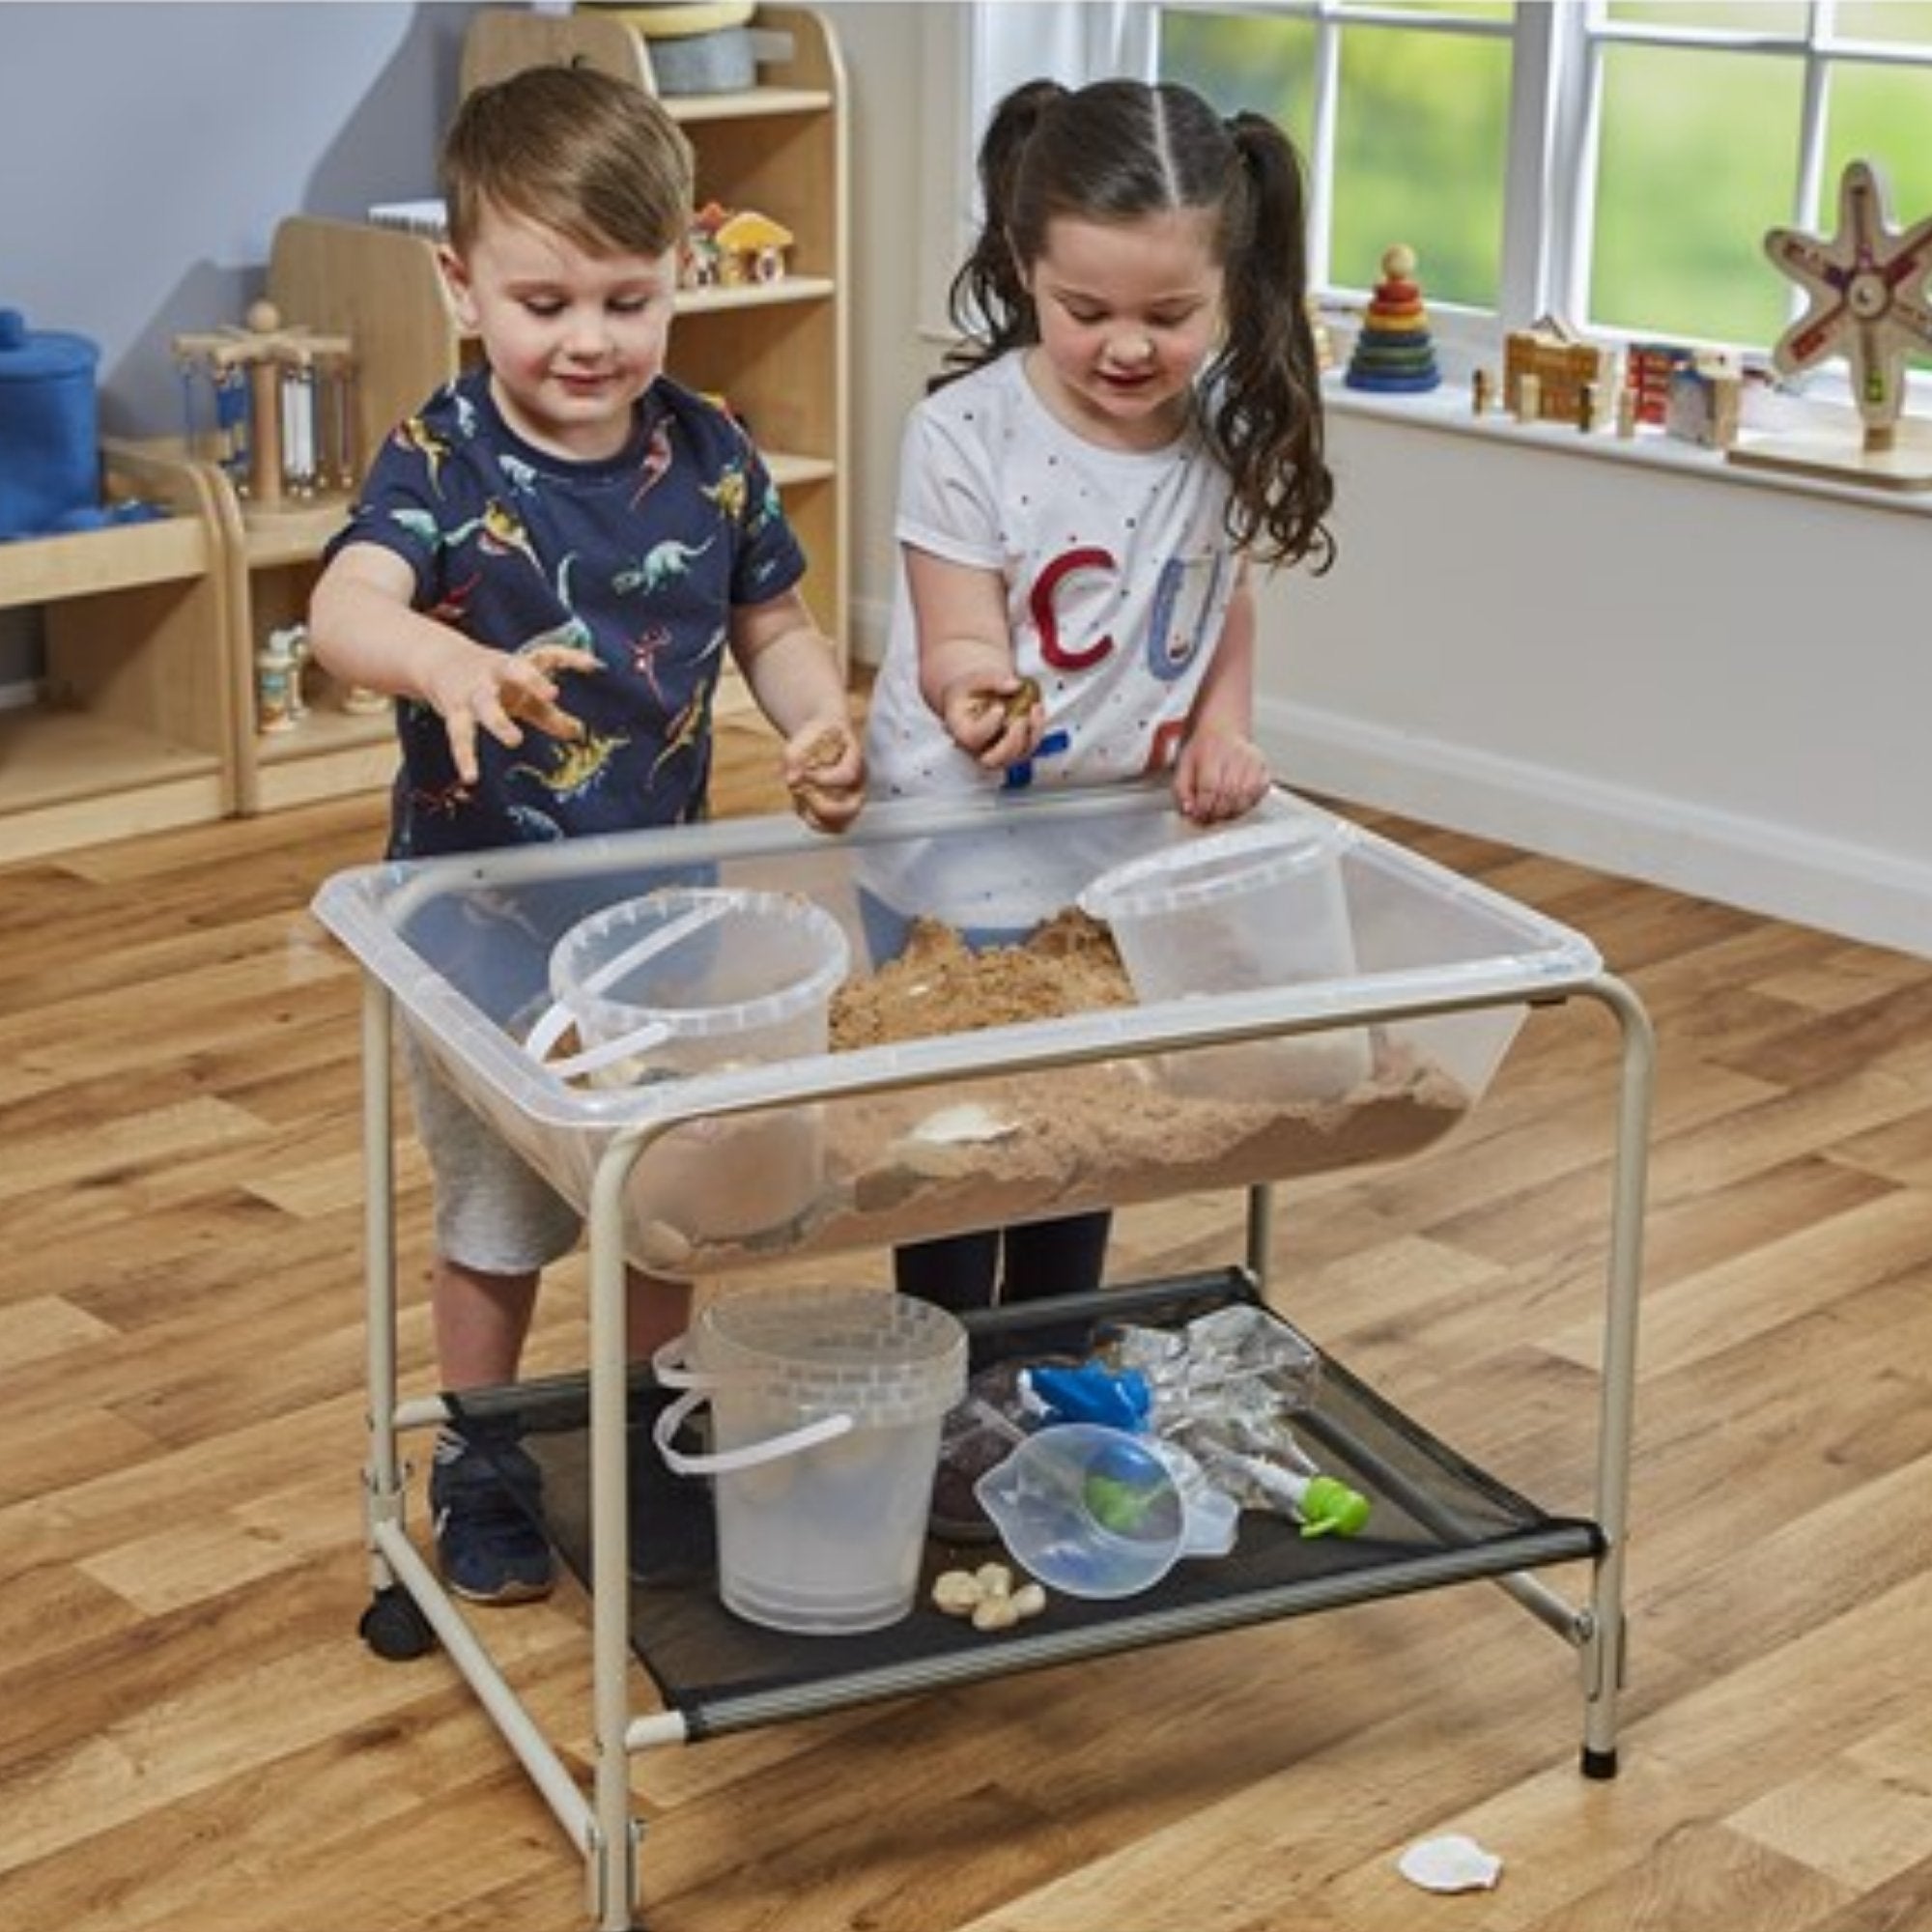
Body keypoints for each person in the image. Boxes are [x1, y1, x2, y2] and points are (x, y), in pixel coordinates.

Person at [308, 64, 864, 1604]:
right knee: (500, 1216)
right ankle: (482, 1456)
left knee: (658, 1193)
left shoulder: (711, 453)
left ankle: (653, 1426)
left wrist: (818, 721)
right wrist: (446, 661)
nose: (588, 341)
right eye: (544, 300)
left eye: (628, 299)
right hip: (473, 931)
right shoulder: (440, 460)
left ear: (682, 269)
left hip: (659, 922)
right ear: (461, 282)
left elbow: (776, 620)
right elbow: (345, 605)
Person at [864, 76, 1335, 1334]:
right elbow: (955, 626)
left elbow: (1224, 593)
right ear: (1024, 268)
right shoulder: (966, 432)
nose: (1128, 347)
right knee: (957, 1150)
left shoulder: (1226, 427)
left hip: (1114, 850)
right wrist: (976, 691)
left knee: (1087, 1126)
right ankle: (948, 1371)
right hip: (951, 848)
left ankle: (1044, 1368)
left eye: (1171, 314)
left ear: (1231, 288)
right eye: (1087, 311)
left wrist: (1226, 724)